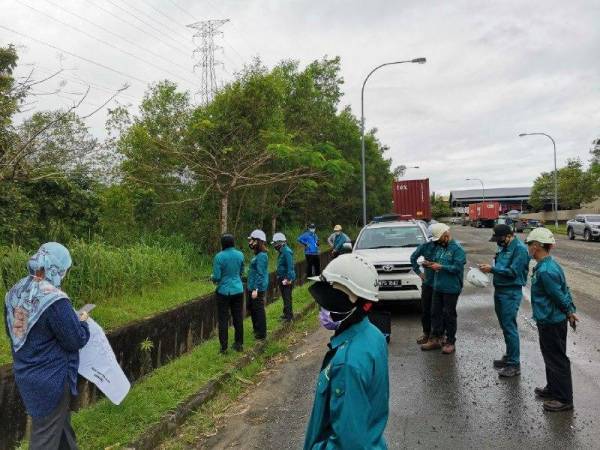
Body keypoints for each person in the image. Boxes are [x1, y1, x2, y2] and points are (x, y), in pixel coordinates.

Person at [4, 242, 90, 450]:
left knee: (60, 428)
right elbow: (75, 339)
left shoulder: (15, 291)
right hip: (51, 380)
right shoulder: (54, 299)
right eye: (66, 270)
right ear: (57, 269)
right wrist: (83, 321)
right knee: (44, 439)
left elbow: (14, 332)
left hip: (26, 374)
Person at [304, 254, 388, 449]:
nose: (323, 308)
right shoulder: (373, 334)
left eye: (328, 299)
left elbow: (348, 444)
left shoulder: (347, 362)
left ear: (350, 300)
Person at [526, 227, 578, 412]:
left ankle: (564, 399)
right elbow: (565, 290)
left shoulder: (546, 270)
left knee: (557, 358)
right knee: (550, 356)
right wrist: (569, 310)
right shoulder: (547, 265)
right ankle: (553, 388)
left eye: (530, 244)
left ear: (538, 246)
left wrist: (569, 311)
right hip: (549, 319)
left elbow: (558, 295)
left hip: (551, 320)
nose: (528, 248)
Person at [478, 224, 530, 377]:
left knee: (509, 327)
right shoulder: (503, 246)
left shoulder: (519, 249)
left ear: (509, 235)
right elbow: (499, 264)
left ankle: (514, 364)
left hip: (511, 292)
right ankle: (509, 356)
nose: (497, 242)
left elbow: (514, 272)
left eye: (499, 239)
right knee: (504, 326)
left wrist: (492, 270)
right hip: (500, 290)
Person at [421, 223, 466, 354]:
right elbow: (437, 261)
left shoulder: (457, 249)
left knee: (449, 315)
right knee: (435, 313)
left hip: (451, 288)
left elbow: (457, 268)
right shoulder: (441, 248)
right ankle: (436, 339)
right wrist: (429, 264)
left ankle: (450, 341)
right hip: (437, 286)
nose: (438, 242)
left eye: (439, 239)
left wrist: (441, 267)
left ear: (445, 236)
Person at [211, 233, 245, 354]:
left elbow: (217, 277)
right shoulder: (240, 254)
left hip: (224, 292)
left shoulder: (219, 257)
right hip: (238, 290)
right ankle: (239, 343)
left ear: (222, 244)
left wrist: (212, 278)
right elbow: (242, 271)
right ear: (233, 243)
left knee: (223, 319)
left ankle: (224, 347)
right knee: (238, 317)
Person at [410, 225, 438, 345]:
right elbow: (413, 258)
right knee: (426, 310)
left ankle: (438, 335)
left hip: (441, 283)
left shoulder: (446, 247)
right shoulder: (425, 246)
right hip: (428, 283)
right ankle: (426, 333)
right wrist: (419, 273)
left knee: (438, 311)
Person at [247, 229, 269, 340]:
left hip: (257, 288)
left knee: (258, 310)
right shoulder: (257, 255)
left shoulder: (262, 256)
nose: (250, 243)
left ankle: (262, 333)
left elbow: (260, 274)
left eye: (252, 241)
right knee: (253, 309)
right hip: (252, 286)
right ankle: (256, 330)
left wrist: (256, 288)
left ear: (258, 242)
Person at [273, 232, 296, 322]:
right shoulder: (282, 251)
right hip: (281, 278)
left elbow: (290, 266)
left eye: (276, 243)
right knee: (284, 296)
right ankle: (286, 313)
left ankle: (289, 317)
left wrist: (289, 279)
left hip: (286, 278)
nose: (275, 245)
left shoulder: (286, 252)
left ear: (281, 243)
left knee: (287, 297)